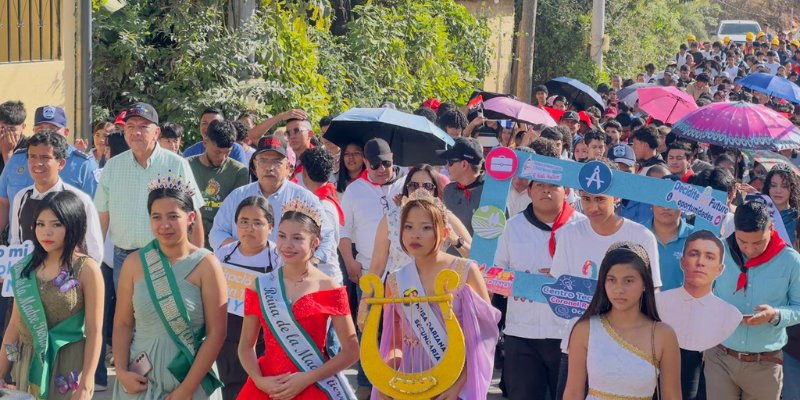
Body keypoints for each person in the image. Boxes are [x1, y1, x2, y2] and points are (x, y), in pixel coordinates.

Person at [552, 159, 663, 399]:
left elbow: (653, 294)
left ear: (617, 198)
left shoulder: (641, 236)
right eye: (587, 199)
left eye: (600, 199)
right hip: (578, 343)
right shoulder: (569, 235)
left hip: (630, 345)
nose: (592, 207)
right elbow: (560, 289)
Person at [372, 196, 501, 399]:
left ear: (444, 232)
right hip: (411, 382)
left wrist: (460, 384)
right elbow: (394, 343)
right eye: (408, 227)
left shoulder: (465, 271)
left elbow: (486, 335)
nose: (416, 235)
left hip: (455, 385)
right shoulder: (396, 281)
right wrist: (387, 379)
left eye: (425, 227)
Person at [112, 173, 226, 399]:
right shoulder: (135, 263)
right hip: (140, 382)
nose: (164, 225)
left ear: (190, 217)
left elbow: (217, 333)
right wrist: (122, 372)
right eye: (156, 217)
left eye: (173, 216)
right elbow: (123, 323)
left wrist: (186, 390)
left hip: (191, 382)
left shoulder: (207, 264)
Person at [237, 199, 359, 399]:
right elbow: (245, 347)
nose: (287, 245)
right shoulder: (261, 286)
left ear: (314, 242)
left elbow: (351, 351)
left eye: (297, 238)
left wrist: (309, 377)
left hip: (313, 384)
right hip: (269, 386)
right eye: (282, 236)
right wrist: (259, 380)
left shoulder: (330, 288)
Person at [493, 141, 587, 400]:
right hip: (521, 333)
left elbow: (594, 277)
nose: (546, 191)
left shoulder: (583, 228)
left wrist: (562, 280)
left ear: (566, 191)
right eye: (540, 186)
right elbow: (496, 273)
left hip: (568, 333)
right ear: (530, 191)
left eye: (553, 186)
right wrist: (518, 282)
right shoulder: (512, 227)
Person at [0, 191, 104, 399]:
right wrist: (3, 370)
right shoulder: (25, 268)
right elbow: (15, 327)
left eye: (56, 225)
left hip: (67, 366)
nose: (46, 232)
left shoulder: (87, 269)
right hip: (27, 362)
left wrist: (86, 382)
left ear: (73, 225)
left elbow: (94, 331)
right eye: (41, 224)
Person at [95, 102, 205, 286]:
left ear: (156, 132)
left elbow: (195, 215)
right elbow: (102, 217)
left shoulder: (177, 164)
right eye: (130, 126)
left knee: (165, 313)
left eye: (143, 127)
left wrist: (198, 262)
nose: (136, 132)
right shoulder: (112, 166)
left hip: (166, 255)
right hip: (123, 257)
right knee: (125, 313)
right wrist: (93, 258)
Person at [706, 201, 800, 399]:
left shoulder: (790, 261)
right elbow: (702, 293)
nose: (749, 249)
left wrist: (775, 315)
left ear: (771, 229)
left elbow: (798, 307)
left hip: (765, 363)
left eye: (758, 242)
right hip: (720, 356)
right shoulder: (718, 251)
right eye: (742, 242)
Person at [563, 242, 681, 400]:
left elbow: (672, 396)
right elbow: (573, 393)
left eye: (629, 281)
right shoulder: (585, 329)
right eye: (611, 280)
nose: (619, 289)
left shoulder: (663, 334)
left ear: (645, 284)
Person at [209, 135, 339, 278]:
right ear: (254, 165)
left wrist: (311, 262)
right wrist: (245, 251)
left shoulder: (304, 199)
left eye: (277, 162)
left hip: (291, 278)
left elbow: (326, 236)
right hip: (244, 276)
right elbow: (217, 233)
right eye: (263, 161)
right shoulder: (238, 196)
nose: (269, 168)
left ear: (288, 167)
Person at [656, 230, 742, 400]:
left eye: (709, 257)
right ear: (682, 262)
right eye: (694, 254)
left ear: (720, 269)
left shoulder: (730, 315)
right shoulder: (658, 303)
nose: (700, 262)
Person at [214, 196, 280, 399]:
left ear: (270, 227)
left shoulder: (278, 258)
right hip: (226, 340)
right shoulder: (224, 254)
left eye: (257, 223)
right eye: (243, 222)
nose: (249, 228)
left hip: (261, 342)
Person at [0, 105, 99, 237]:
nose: (46, 134)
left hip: (65, 248)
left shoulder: (84, 165)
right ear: (33, 131)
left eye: (53, 129)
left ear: (66, 132)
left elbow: (95, 212)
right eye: (40, 129)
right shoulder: (16, 160)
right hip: (21, 248)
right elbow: (4, 204)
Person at [10, 131, 104, 264]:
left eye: (45, 157)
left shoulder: (79, 200)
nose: (37, 163)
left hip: (67, 281)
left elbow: (94, 251)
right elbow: (17, 242)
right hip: (30, 280)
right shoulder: (21, 197)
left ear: (61, 163)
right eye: (32, 157)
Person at [187, 119, 250, 249]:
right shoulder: (187, 166)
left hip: (223, 245)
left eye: (227, 152)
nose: (222, 158)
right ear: (205, 142)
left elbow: (236, 214)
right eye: (217, 152)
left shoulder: (239, 172)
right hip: (190, 242)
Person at [644, 176, 695, 291]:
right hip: (644, 307)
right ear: (651, 203)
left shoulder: (696, 238)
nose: (666, 207)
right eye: (661, 201)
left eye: (672, 201)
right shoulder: (637, 233)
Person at [438, 137, 485, 234]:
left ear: (464, 165)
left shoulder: (490, 194)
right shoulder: (448, 190)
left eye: (450, 162)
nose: (446, 166)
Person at [182, 108, 248, 164]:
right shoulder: (190, 153)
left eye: (214, 123)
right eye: (204, 123)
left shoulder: (236, 150)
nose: (208, 127)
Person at [762, 165, 800, 245]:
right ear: (768, 187)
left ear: (792, 188)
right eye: (773, 185)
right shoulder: (760, 215)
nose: (778, 191)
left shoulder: (797, 218)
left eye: (784, 186)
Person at [0, 100, 28, 173]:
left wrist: (7, 153)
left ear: (23, 127)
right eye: (2, 127)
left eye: (12, 129)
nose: (6, 133)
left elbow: (17, 179)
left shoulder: (29, 147)